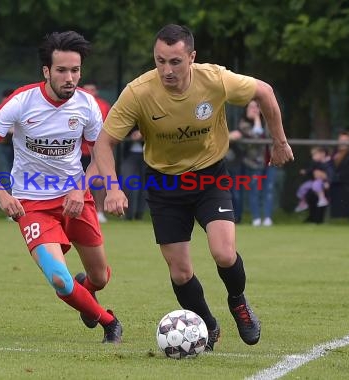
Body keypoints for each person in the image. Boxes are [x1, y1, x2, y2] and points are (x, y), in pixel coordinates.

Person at [94, 24, 293, 350]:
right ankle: (209, 327)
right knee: (181, 272)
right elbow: (104, 143)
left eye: (175, 61)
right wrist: (114, 188)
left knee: (224, 252)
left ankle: (238, 303)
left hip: (209, 176)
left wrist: (279, 142)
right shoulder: (138, 92)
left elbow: (265, 92)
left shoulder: (214, 79)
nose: (167, 70)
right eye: (160, 61)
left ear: (192, 57)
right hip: (163, 183)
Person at [0, 31, 122, 343]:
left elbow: (100, 153)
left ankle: (87, 294)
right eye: (62, 70)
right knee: (60, 280)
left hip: (77, 199)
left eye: (75, 71)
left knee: (99, 277)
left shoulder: (88, 105)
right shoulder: (21, 103)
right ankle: (108, 322)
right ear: (46, 71)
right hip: (32, 204)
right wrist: (1, 193)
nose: (70, 78)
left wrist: (81, 188)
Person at [238, 100, 277, 227]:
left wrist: (261, 119)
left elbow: (269, 135)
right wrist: (256, 119)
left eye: (257, 107)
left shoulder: (267, 122)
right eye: (251, 107)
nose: (255, 109)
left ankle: (267, 217)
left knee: (269, 190)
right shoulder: (243, 124)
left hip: (270, 161)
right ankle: (256, 218)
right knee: (255, 190)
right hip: (253, 163)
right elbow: (257, 137)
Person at [81, 83, 111, 223]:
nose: (90, 92)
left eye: (92, 89)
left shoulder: (103, 105)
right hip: (77, 152)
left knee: (98, 181)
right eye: (87, 90)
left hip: (97, 151)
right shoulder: (74, 103)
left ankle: (99, 211)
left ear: (96, 91)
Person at [295, 146, 334, 212]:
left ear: (322, 154)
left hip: (322, 182)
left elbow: (330, 174)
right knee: (304, 187)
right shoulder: (315, 163)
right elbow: (311, 170)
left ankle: (322, 198)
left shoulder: (328, 164)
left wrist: (328, 182)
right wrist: (305, 171)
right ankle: (303, 202)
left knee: (316, 185)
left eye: (315, 154)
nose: (313, 157)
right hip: (315, 181)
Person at [120, 127, 147, 220]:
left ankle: (139, 214)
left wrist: (143, 132)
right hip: (129, 153)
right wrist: (132, 134)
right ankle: (129, 214)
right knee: (127, 183)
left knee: (145, 185)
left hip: (148, 154)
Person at [0, 88, 16, 172]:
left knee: (17, 166)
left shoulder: (19, 108)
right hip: (5, 140)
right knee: (7, 166)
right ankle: (8, 185)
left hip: (17, 140)